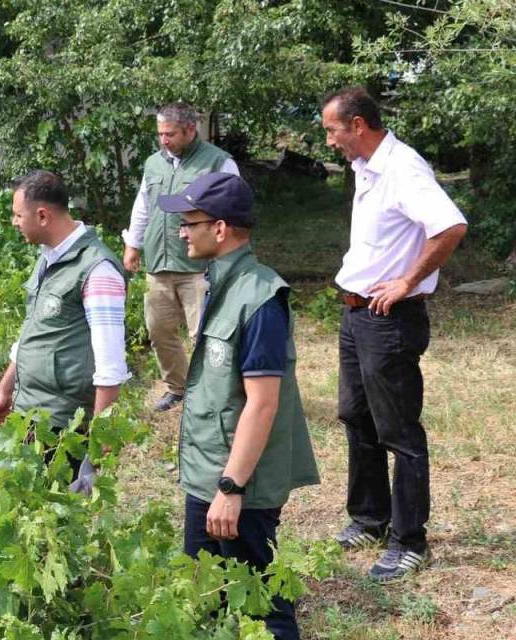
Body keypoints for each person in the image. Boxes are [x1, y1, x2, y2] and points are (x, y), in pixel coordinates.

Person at [160, 172, 319, 640]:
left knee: (262, 605)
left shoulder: (261, 296)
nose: (182, 232)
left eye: (190, 223)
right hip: (208, 470)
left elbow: (263, 404)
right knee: (206, 596)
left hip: (238, 482)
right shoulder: (221, 282)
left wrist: (231, 488)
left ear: (221, 228)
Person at [321, 87, 467, 581]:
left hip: (390, 320)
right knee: (355, 416)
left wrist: (407, 280)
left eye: (332, 130)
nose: (329, 140)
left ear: (358, 125)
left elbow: (449, 226)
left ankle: (410, 541)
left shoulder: (403, 168)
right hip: (356, 313)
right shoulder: (368, 168)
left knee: (398, 430)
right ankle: (370, 518)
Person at [0, 170, 130, 491]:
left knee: (57, 524)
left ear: (42, 215)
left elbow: (110, 366)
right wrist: (5, 389)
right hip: (29, 412)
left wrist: (99, 445)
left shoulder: (97, 270)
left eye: (17, 215)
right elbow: (32, 331)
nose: (14, 222)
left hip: (63, 426)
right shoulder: (48, 258)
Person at [122, 102, 240, 412]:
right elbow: (143, 205)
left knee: (204, 334)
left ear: (191, 129)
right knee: (158, 330)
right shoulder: (154, 164)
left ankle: (214, 393)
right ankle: (177, 387)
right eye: (160, 134)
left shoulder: (218, 163)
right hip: (158, 265)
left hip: (199, 267)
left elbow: (234, 212)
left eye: (170, 134)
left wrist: (224, 258)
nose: (164, 140)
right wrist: (133, 244)